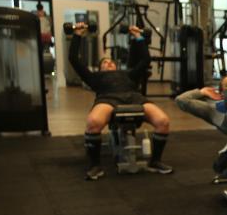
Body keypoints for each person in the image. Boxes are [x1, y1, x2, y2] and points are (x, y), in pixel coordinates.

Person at [69, 23, 172, 180]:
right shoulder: (94, 77)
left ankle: (155, 161)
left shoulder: (128, 74)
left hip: (134, 97)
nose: (109, 63)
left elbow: (145, 60)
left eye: (111, 62)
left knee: (163, 121)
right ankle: (95, 166)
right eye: (105, 62)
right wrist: (77, 34)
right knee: (93, 122)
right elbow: (73, 59)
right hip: (107, 99)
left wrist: (138, 36)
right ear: (100, 68)